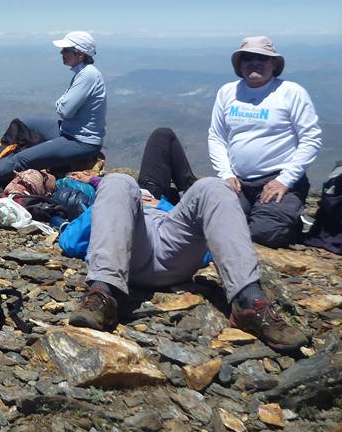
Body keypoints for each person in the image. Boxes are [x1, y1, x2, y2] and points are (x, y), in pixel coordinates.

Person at [67, 172, 308, 353]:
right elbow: (71, 241)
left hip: (175, 245)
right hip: (132, 251)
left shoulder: (168, 205)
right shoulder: (112, 199)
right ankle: (102, 294)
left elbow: (214, 241)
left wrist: (156, 203)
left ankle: (249, 302)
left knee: (213, 185)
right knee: (117, 179)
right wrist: (112, 198)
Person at [208, 36, 322, 248]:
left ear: (274, 64)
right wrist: (226, 173)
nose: (254, 62)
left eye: (262, 57)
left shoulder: (291, 92)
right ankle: (260, 213)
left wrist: (285, 180)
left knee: (265, 233)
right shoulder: (228, 92)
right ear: (239, 65)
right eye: (247, 58)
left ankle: (284, 218)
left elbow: (311, 138)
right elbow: (216, 135)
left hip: (278, 180)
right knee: (215, 223)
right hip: (238, 181)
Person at [0, 31, 106, 190]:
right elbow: (65, 106)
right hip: (69, 129)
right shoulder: (83, 72)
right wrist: (62, 103)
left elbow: (64, 110)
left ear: (80, 54)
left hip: (81, 141)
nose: (61, 53)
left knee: (21, 159)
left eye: (66, 50)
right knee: (25, 124)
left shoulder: (88, 76)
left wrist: (61, 103)